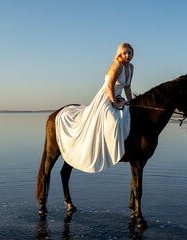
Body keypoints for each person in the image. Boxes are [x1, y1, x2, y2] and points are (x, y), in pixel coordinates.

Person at [55, 43, 134, 173]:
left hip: (118, 96)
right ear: (120, 54)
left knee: (128, 115)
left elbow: (127, 87)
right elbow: (110, 86)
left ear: (133, 54)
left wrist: (130, 101)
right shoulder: (117, 66)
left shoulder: (131, 67)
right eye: (124, 53)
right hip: (106, 97)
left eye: (129, 53)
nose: (127, 55)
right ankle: (108, 149)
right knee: (113, 120)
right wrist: (115, 103)